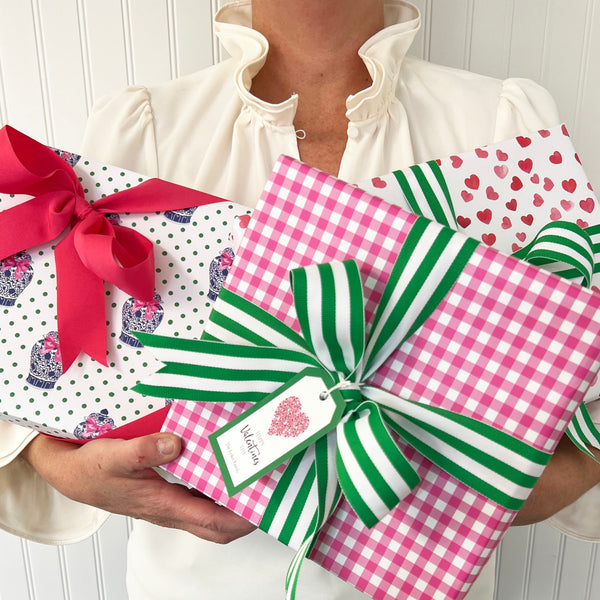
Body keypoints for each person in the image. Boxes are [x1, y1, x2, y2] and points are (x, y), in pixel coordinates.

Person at [2, 1, 600, 598]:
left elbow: (584, 388)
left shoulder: (502, 120)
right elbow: (56, 383)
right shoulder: (146, 124)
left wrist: (495, 494)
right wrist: (67, 470)